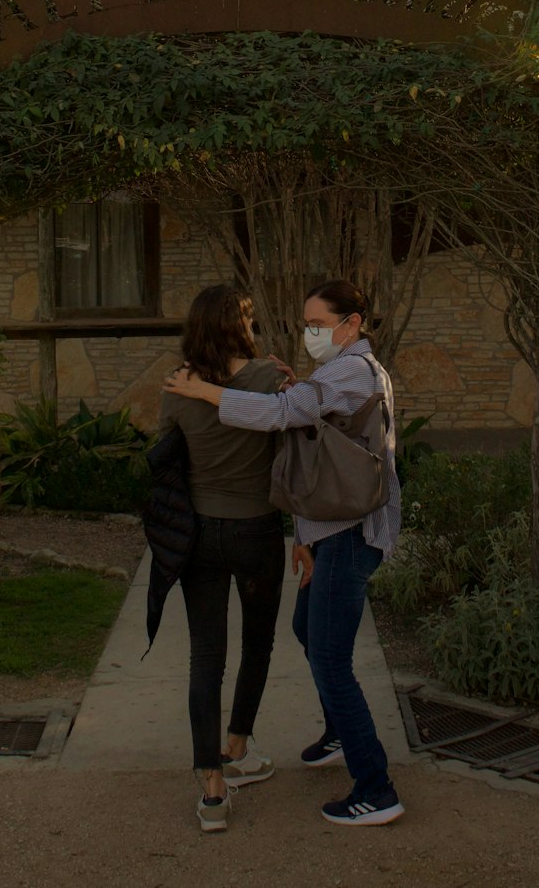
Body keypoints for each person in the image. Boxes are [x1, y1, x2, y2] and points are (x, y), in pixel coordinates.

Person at [165, 278, 404, 827]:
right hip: (321, 534)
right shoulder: (331, 372)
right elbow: (307, 437)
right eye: (307, 323)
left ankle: (377, 787)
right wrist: (304, 536)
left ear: (352, 324)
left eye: (318, 324)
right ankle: (329, 733)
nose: (309, 332)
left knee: (326, 657)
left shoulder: (351, 370)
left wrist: (202, 392)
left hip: (349, 536)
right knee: (300, 628)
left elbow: (279, 416)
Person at [158, 283, 287, 833]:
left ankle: (212, 788)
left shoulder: (178, 386)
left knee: (205, 657)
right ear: (240, 325)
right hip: (257, 530)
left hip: (199, 537)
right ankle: (238, 745)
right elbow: (290, 458)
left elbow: (165, 455)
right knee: (258, 642)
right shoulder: (271, 380)